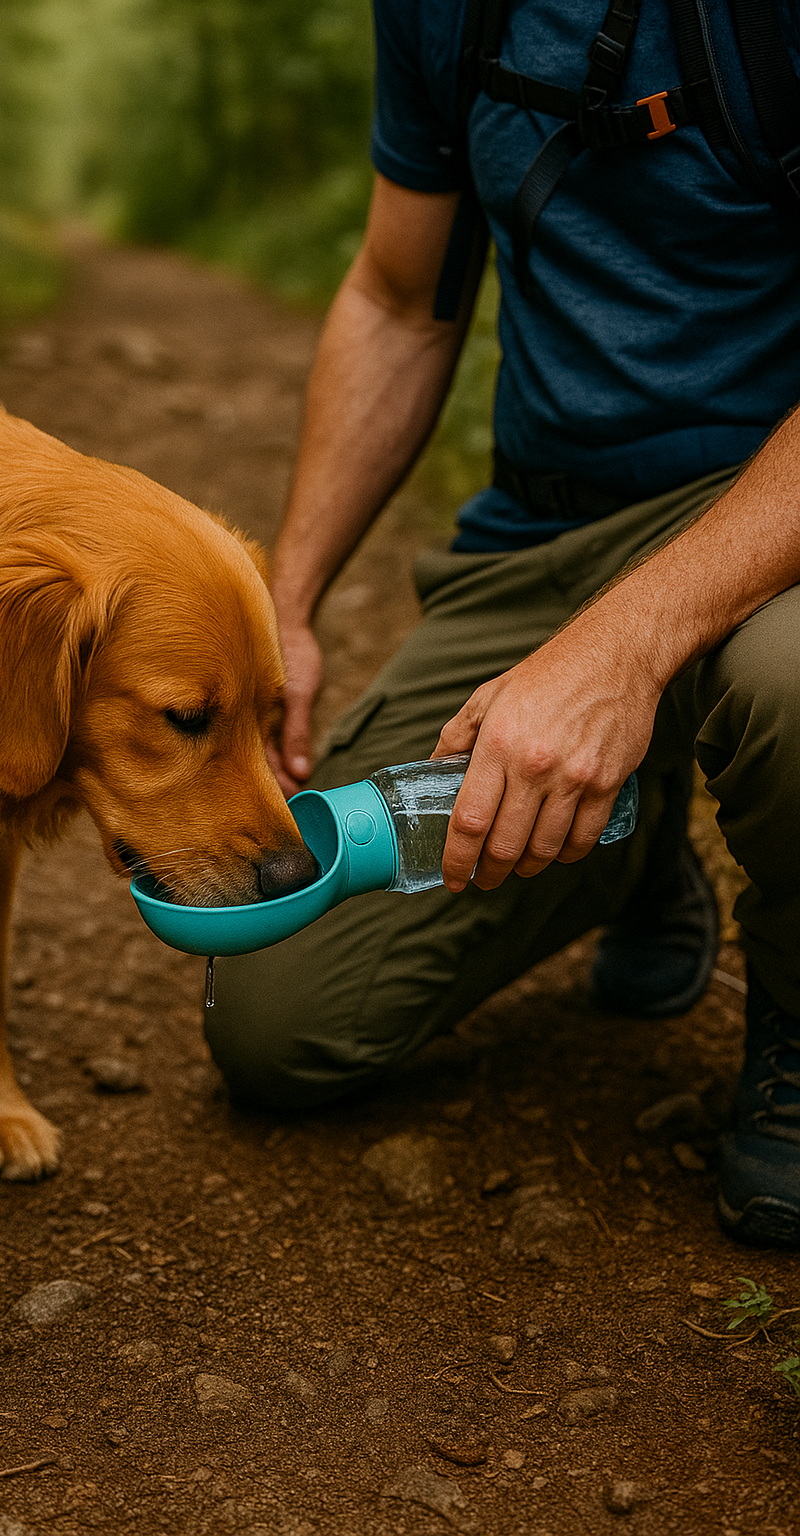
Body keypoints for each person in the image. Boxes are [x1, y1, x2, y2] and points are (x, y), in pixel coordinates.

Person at [205, 0, 800, 1248]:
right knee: (281, 1026)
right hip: (542, 538)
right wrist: (289, 606)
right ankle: (631, 850)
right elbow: (393, 298)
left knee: (787, 680)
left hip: (768, 517)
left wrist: (624, 647)